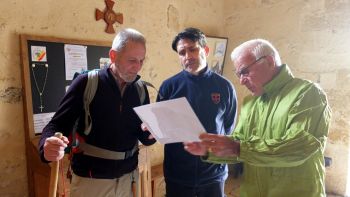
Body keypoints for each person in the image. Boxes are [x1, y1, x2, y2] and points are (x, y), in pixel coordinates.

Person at [184, 38, 332, 197]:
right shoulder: (251, 102)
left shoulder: (306, 93)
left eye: (244, 72)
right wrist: (210, 148)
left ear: (269, 61)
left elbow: (300, 146)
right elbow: (240, 142)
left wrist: (238, 147)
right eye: (238, 74)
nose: (241, 81)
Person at [38, 28, 156, 197]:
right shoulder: (86, 83)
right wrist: (46, 146)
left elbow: (142, 134)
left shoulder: (140, 89)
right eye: (132, 60)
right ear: (113, 55)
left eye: (141, 61)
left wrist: (151, 134)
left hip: (128, 181)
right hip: (91, 181)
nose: (137, 67)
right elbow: (57, 124)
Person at [157, 27, 238, 197]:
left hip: (213, 174)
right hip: (178, 175)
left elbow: (229, 127)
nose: (187, 56)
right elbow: (162, 127)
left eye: (192, 49)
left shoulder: (224, 87)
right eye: (182, 52)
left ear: (205, 50)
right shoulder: (169, 86)